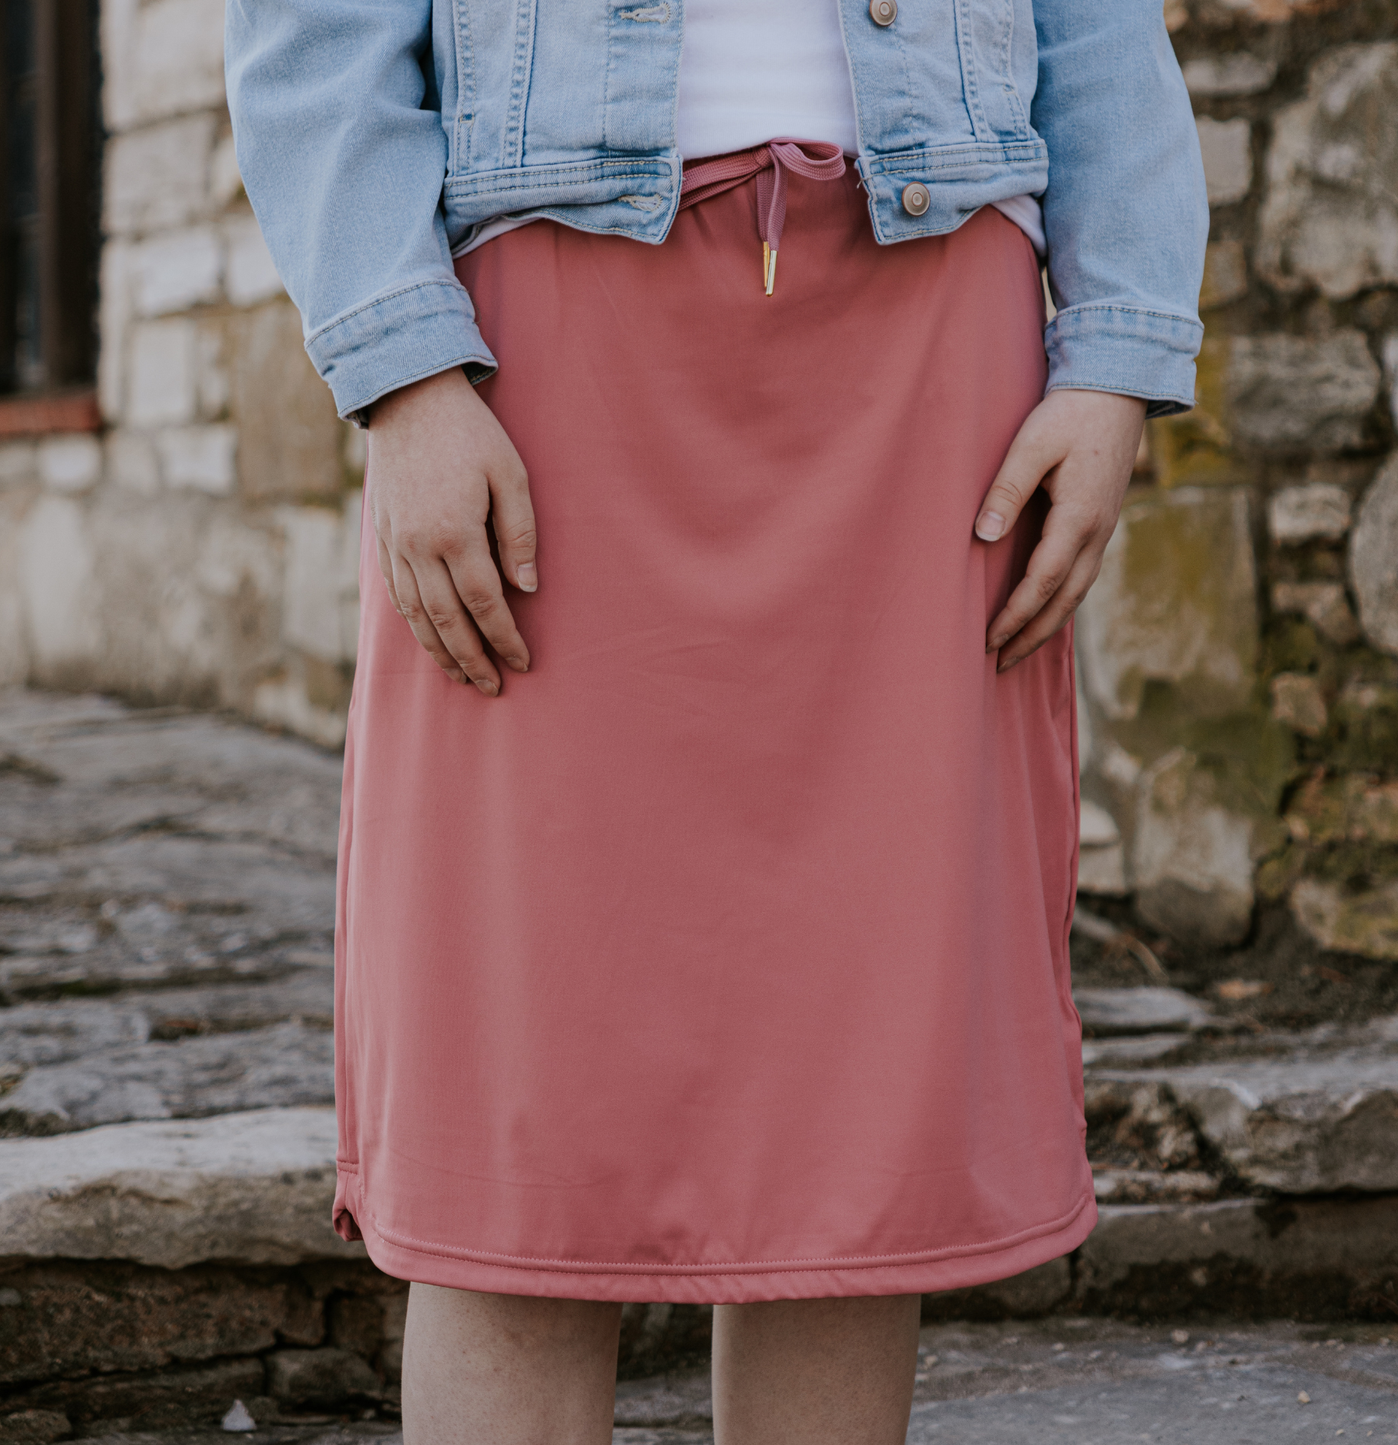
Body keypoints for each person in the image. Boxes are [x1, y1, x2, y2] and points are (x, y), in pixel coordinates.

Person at [225, 1, 1206, 1439]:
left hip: (927, 340)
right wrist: (406, 374)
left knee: (851, 1120)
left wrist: (1117, 347)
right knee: (519, 1104)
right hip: (540, 353)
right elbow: (314, 30)